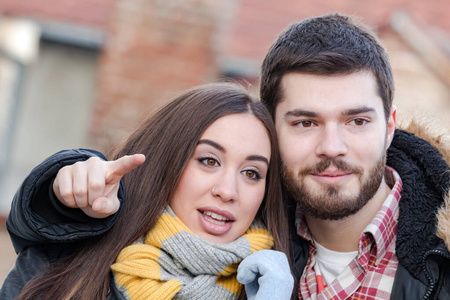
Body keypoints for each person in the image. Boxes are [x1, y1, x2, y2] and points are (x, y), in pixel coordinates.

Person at [0, 83, 294, 299]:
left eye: (251, 173)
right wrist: (59, 195)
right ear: (167, 163)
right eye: (208, 160)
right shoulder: (64, 269)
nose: (229, 191)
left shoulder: (274, 285)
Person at [260, 13, 450, 299]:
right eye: (305, 123)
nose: (332, 147)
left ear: (388, 129)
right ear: (270, 132)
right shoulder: (228, 248)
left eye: (357, 121)